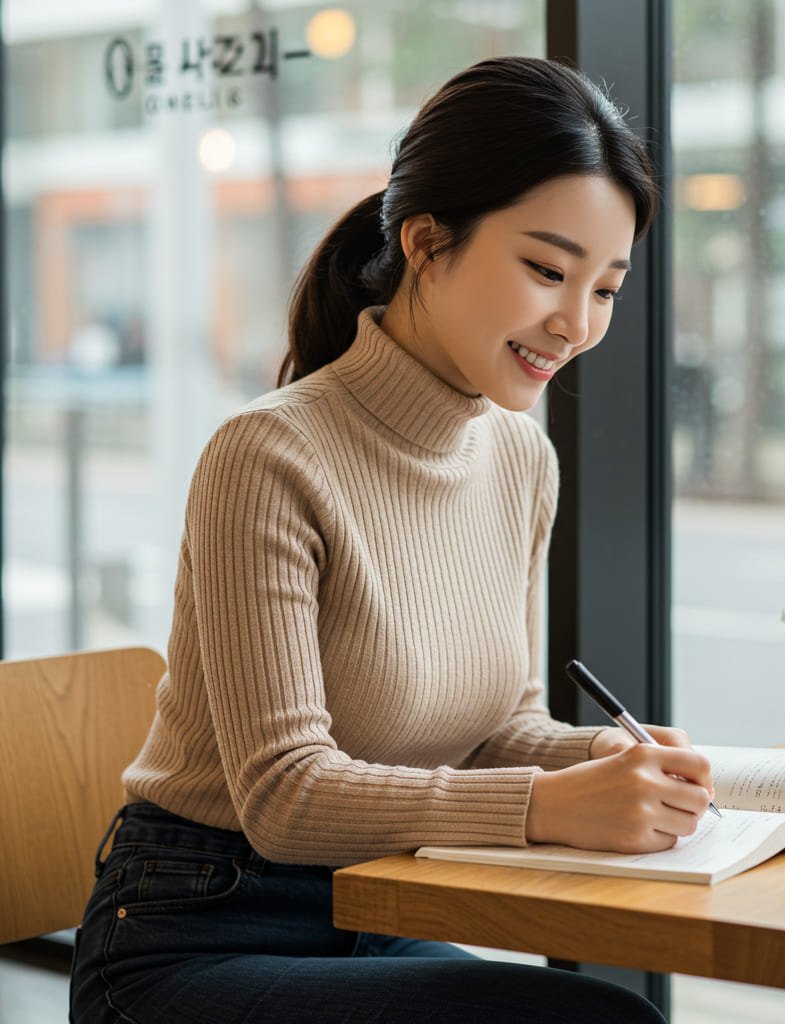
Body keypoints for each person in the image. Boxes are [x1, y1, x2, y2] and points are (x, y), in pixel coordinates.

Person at [70, 56, 715, 1024]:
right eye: (545, 269)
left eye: (606, 288)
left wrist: (607, 763)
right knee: (596, 1020)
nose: (575, 323)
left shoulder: (518, 459)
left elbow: (496, 731)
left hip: (370, 909)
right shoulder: (270, 453)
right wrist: (552, 806)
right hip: (191, 930)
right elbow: (285, 795)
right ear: (425, 241)